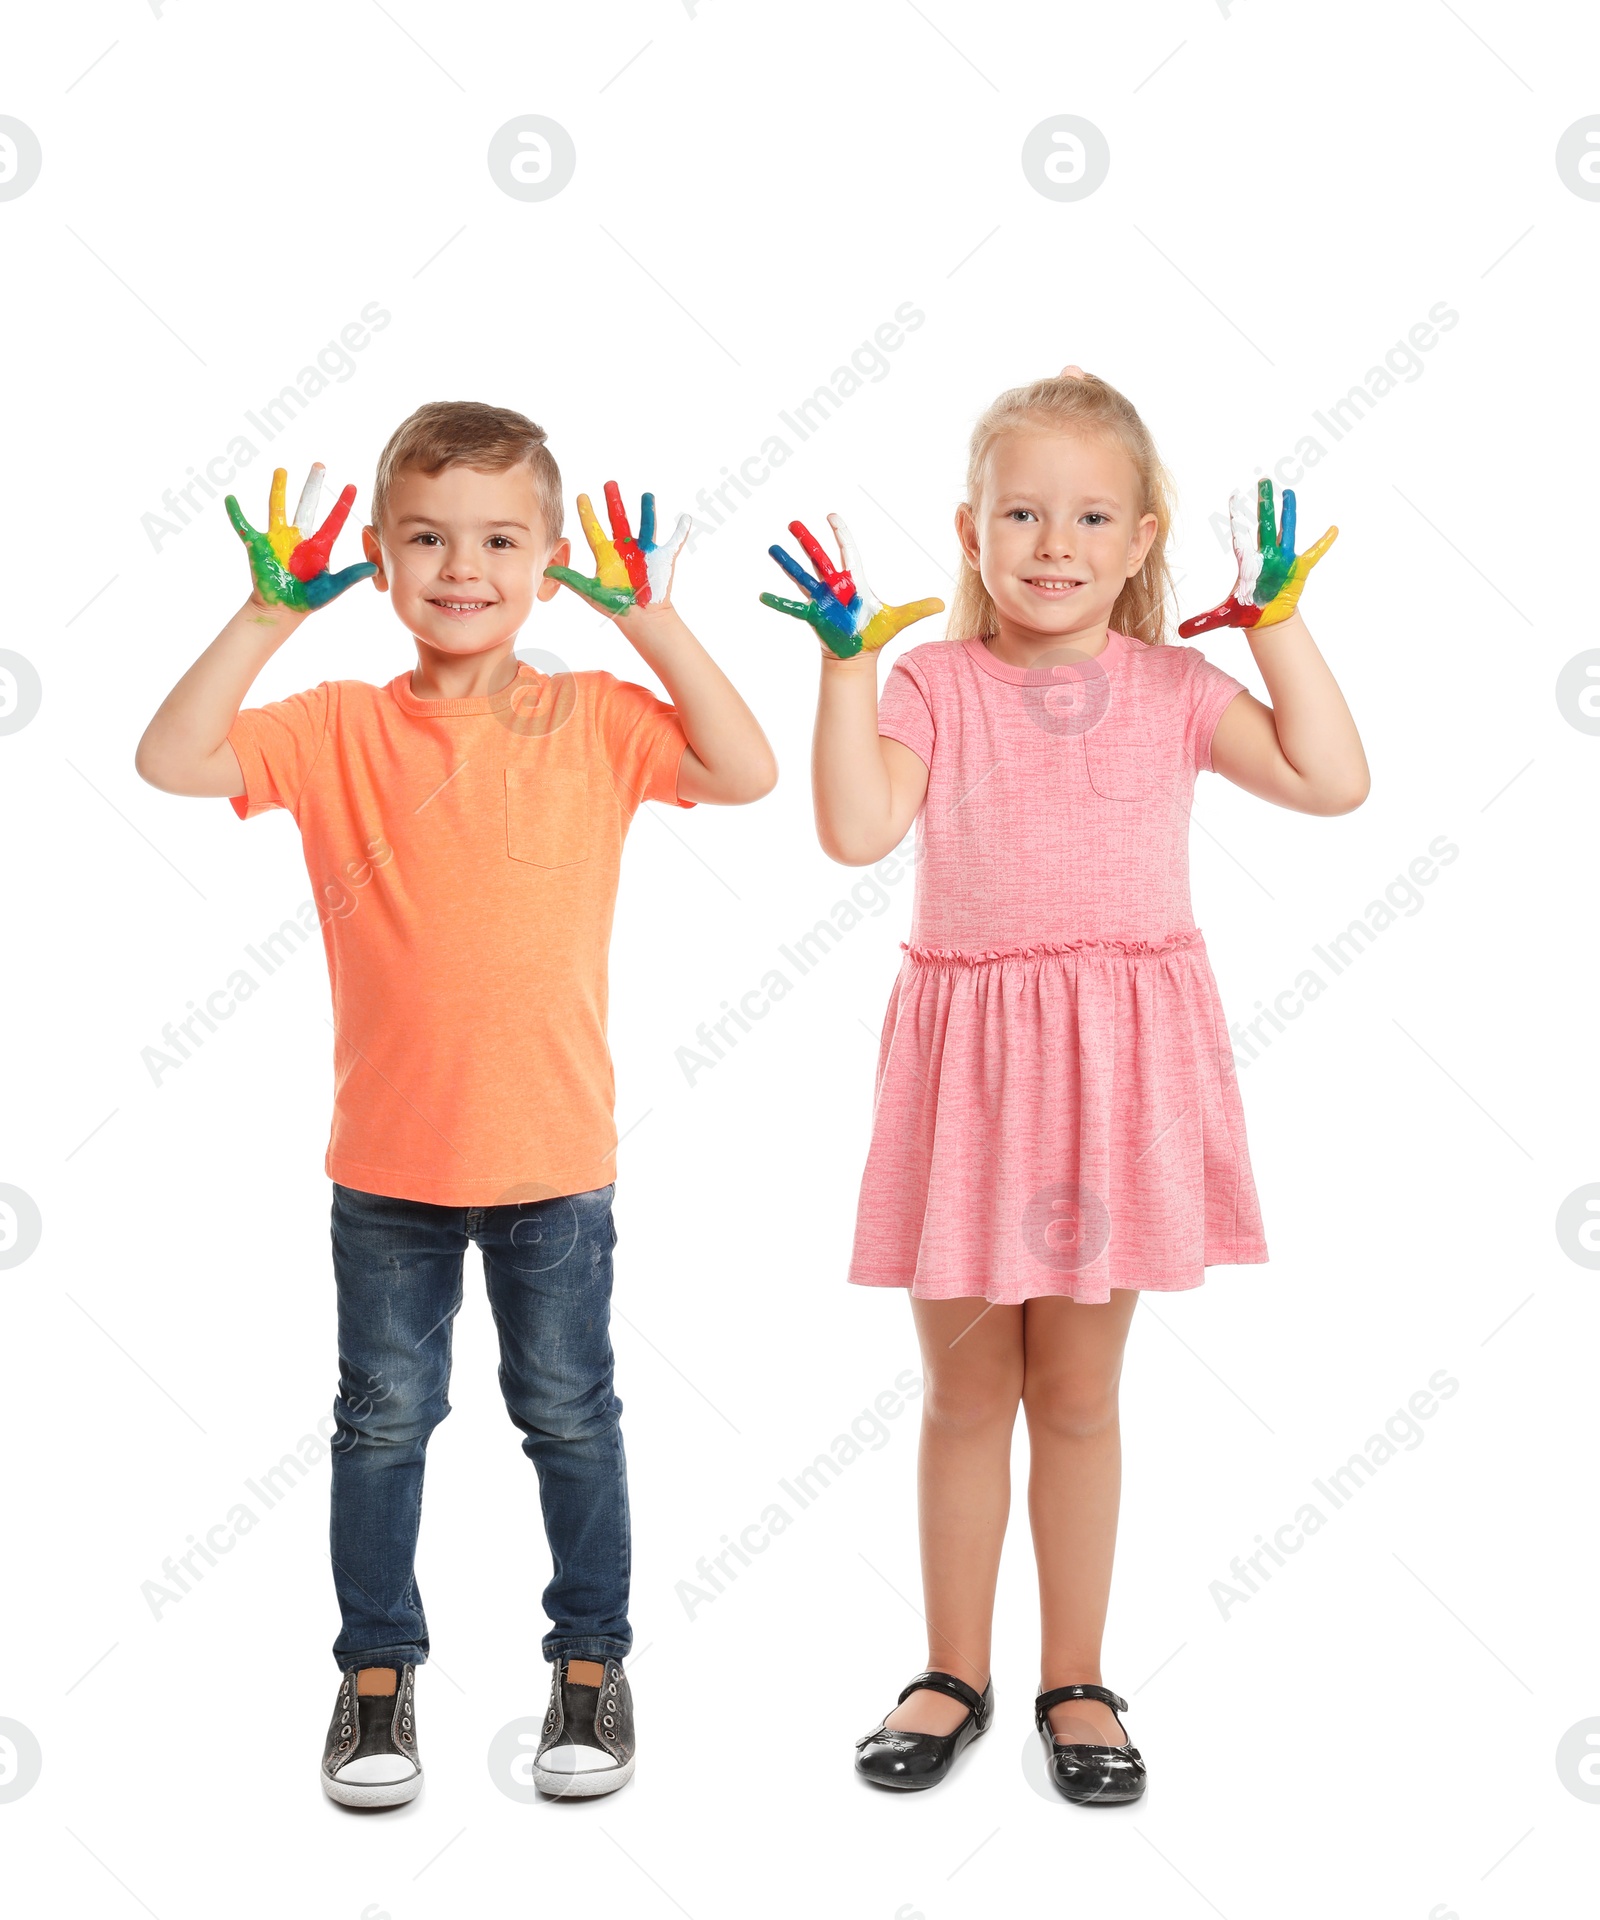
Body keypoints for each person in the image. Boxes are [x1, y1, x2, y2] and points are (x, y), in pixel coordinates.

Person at [135, 401, 776, 1807]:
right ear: (375, 556)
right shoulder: (336, 729)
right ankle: (377, 1677)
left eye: (498, 539)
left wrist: (653, 620)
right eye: (426, 537)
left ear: (549, 561)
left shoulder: (597, 719)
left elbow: (747, 770)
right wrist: (261, 615)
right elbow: (171, 760)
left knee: (569, 1415)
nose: (462, 566)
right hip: (388, 1170)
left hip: (555, 1162)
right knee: (381, 1421)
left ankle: (590, 1663)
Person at [763, 367, 1367, 1802]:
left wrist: (1279, 632)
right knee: (967, 1395)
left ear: (1146, 536)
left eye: (1091, 514)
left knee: (1081, 1397)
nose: (1053, 541)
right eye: (1020, 510)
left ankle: (1074, 1679)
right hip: (970, 1072)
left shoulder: (1174, 690)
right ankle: (950, 1670)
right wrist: (844, 666)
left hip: (1117, 1072)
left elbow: (1333, 779)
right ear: (966, 532)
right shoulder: (932, 683)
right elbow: (856, 829)